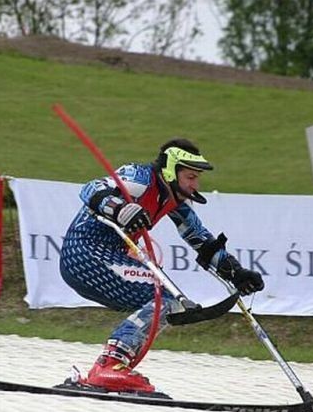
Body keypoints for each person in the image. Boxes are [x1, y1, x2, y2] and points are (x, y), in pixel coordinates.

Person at [59, 138, 265, 393]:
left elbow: (202, 241)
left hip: (107, 257)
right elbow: (91, 188)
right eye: (190, 177)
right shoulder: (140, 178)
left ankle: (116, 370)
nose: (195, 184)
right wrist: (120, 209)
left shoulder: (175, 201)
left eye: (196, 178)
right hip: (86, 252)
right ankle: (108, 366)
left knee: (168, 303)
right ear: (171, 170)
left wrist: (237, 273)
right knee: (163, 298)